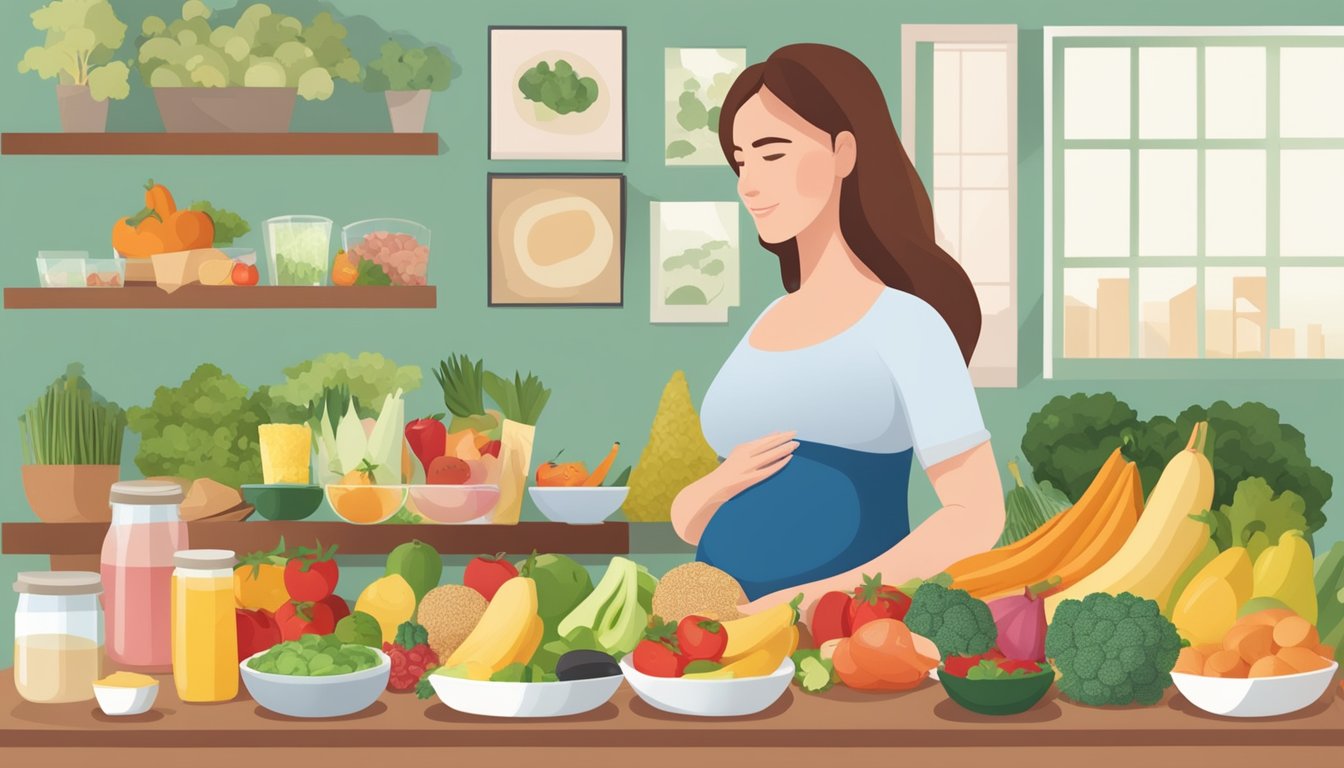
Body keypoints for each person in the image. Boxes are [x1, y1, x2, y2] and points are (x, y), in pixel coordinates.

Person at [670, 43, 1006, 615]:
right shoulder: (766, 323)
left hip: (843, 633)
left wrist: (799, 603)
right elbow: (689, 521)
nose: (748, 184)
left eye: (772, 154)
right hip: (712, 632)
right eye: (740, 161)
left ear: (842, 152)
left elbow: (975, 515)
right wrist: (717, 484)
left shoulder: (907, 324)